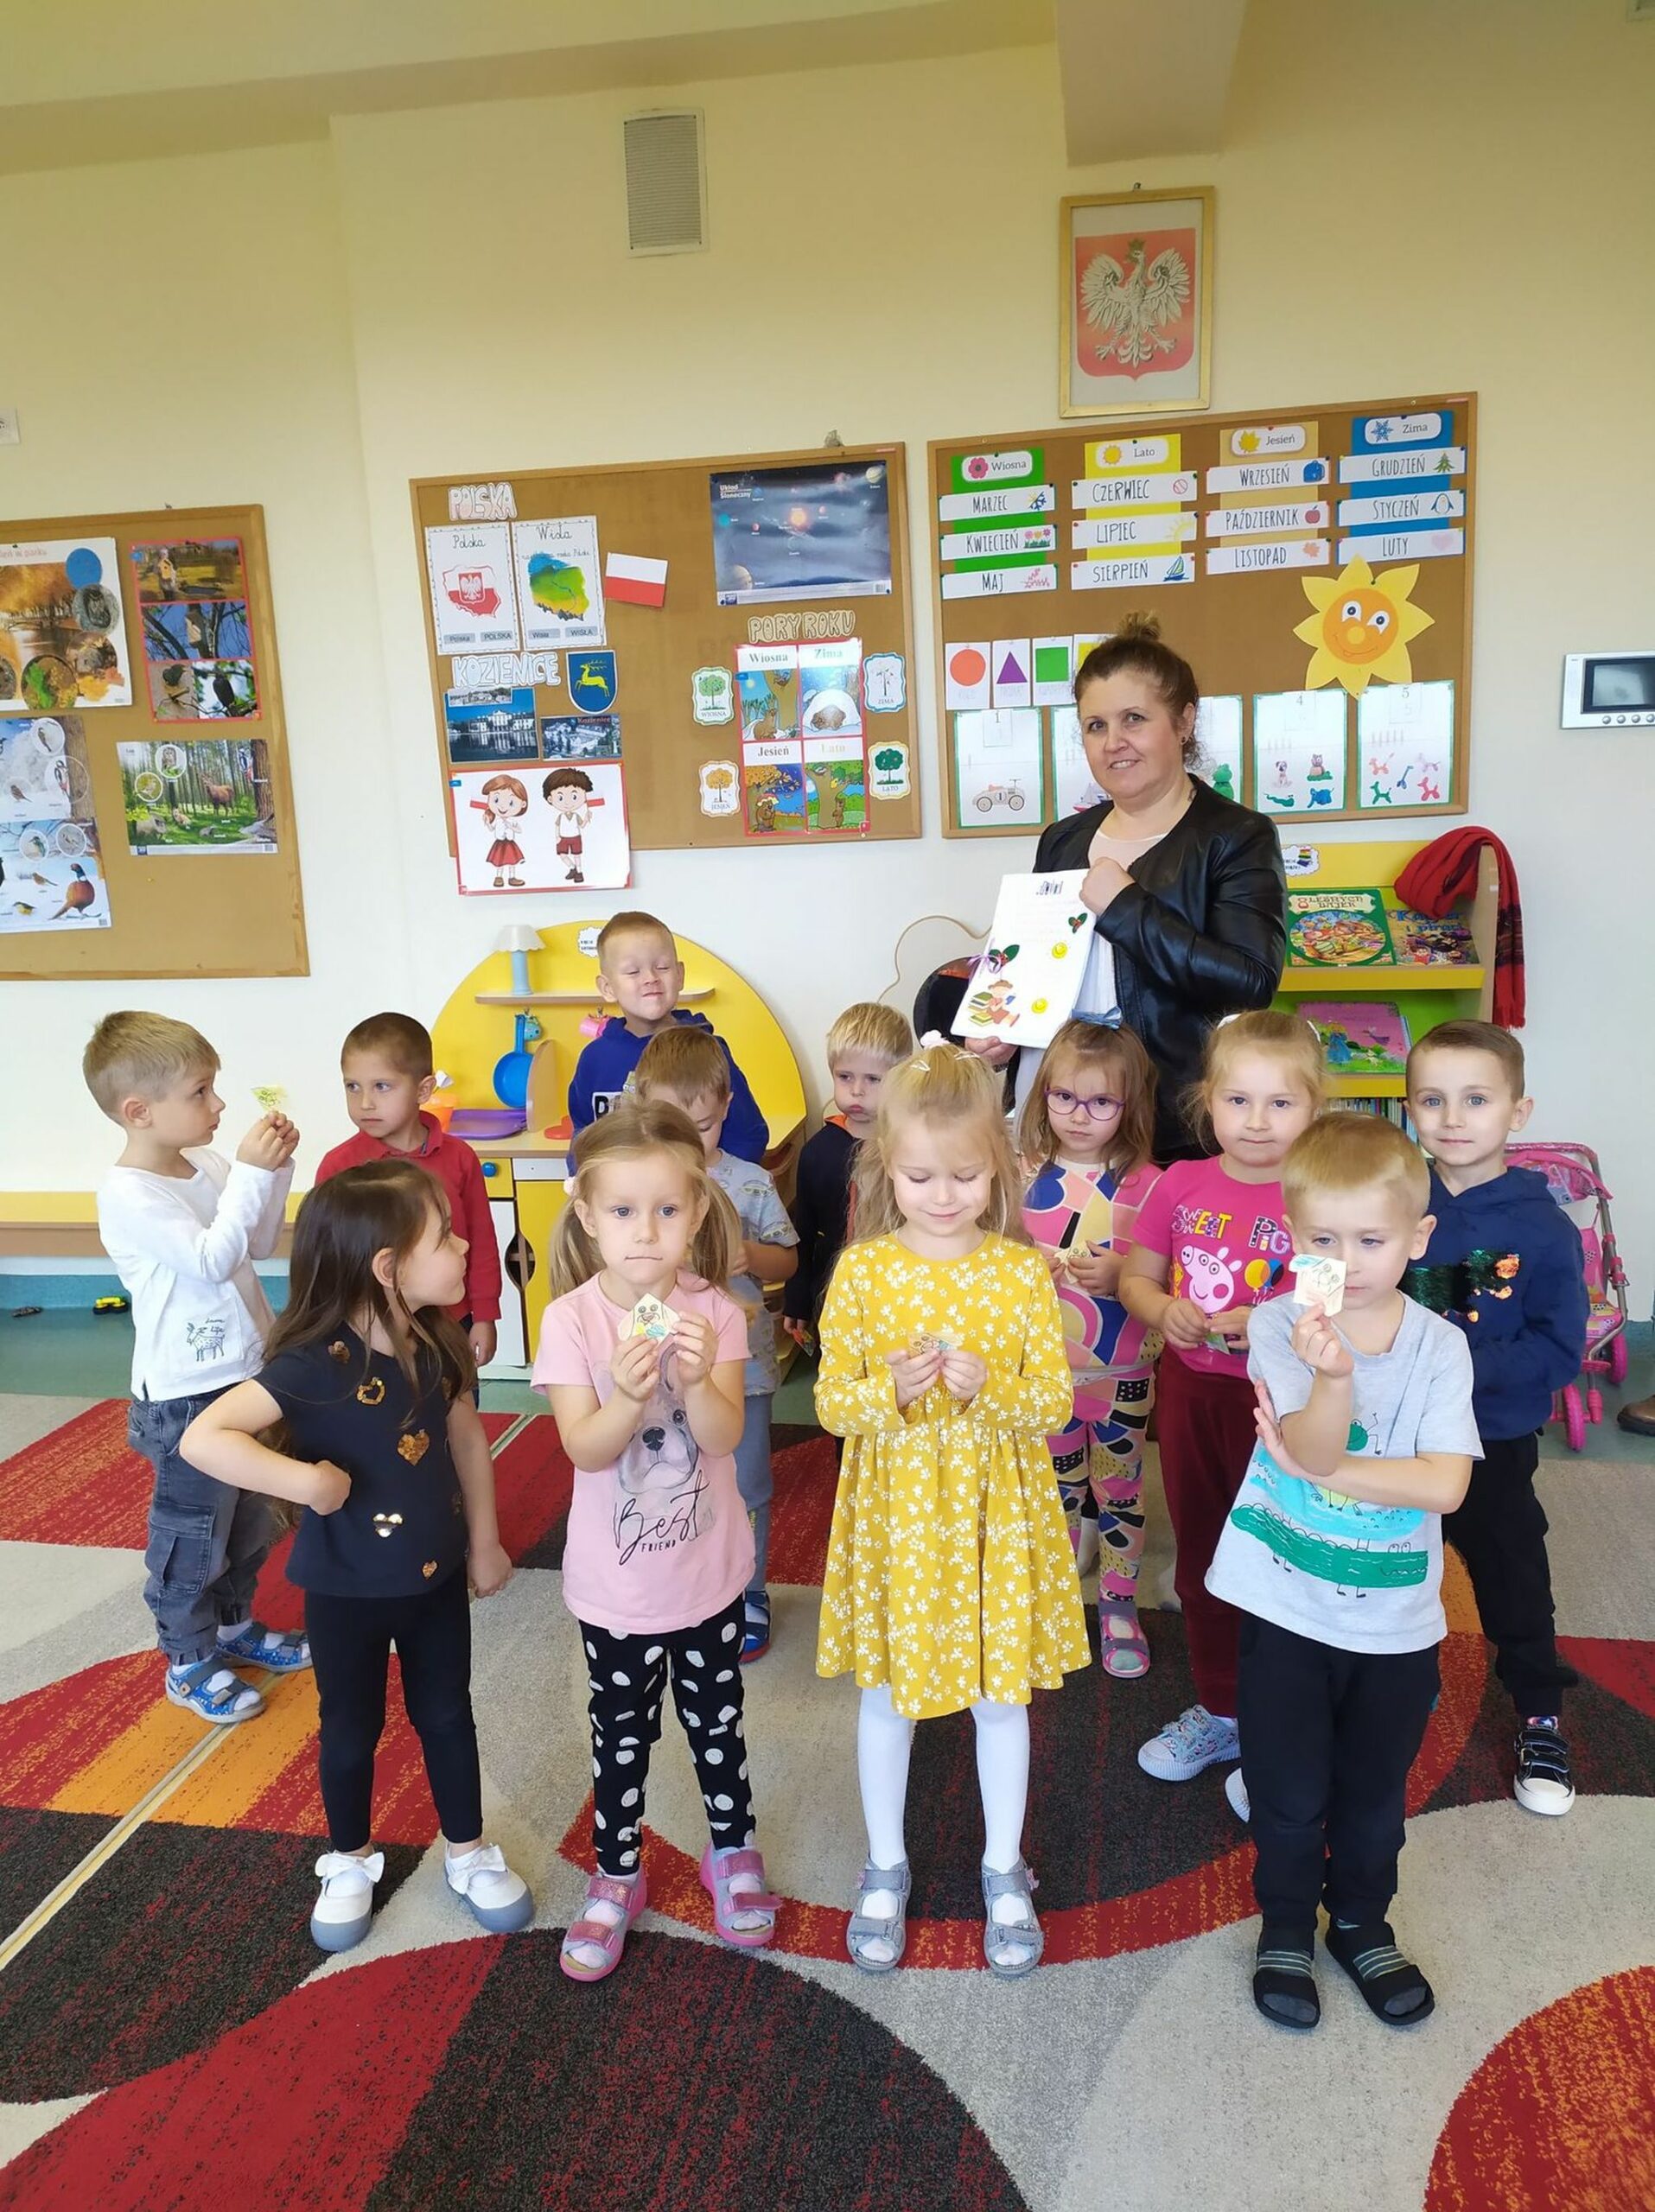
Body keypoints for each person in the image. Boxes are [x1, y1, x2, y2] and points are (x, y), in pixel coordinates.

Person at [181, 1162, 532, 1951]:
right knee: (349, 1727)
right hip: (343, 1590)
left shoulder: (436, 1341)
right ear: (388, 1267)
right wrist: (304, 1482)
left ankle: (468, 1852)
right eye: (445, 1235)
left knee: (448, 1715)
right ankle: (348, 1859)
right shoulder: (314, 1363)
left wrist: (484, 1541)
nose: (464, 1245)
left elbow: (466, 1441)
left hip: (435, 1578)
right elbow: (204, 1438)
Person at [815, 1046, 1085, 1979]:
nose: (942, 1195)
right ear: (886, 1169)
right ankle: (884, 1863)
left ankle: (1003, 1866)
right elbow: (829, 1404)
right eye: (920, 1175)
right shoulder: (861, 1272)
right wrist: (888, 1391)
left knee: (998, 1696)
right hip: (895, 1514)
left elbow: (1052, 1403)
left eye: (965, 1176)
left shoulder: (1020, 1272)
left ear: (999, 1170)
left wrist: (990, 1390)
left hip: (993, 1516)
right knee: (887, 1694)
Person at [1212, 1115, 1476, 2030]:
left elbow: (1443, 1485)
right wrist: (1330, 1382)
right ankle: (1286, 1924)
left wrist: (1314, 1466)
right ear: (1293, 1237)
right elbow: (1318, 1444)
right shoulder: (1280, 1323)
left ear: (1417, 1237)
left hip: (1395, 1621)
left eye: (1371, 1239)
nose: (1348, 1261)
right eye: (1323, 1240)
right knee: (1287, 1794)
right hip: (1284, 1604)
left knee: (1373, 1800)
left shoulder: (1439, 1345)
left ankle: (1360, 1922)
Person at [533, 1100, 781, 1981]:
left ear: (697, 1210)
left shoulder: (717, 1311)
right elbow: (583, 1448)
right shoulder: (570, 1320)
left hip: (707, 1577)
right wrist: (631, 1396)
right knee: (620, 1736)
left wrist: (695, 1376)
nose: (645, 1231)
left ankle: (732, 1851)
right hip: (616, 1589)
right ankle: (617, 1871)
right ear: (586, 1215)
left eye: (667, 1209)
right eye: (623, 1210)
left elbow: (721, 1436)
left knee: (718, 1724)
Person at [964, 615, 1286, 1164]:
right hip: (1058, 1122)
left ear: (1184, 722)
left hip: (1167, 1130)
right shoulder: (1063, 840)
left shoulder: (1236, 836)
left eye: (1133, 719)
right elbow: (1033, 968)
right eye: (1095, 726)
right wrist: (1003, 1034)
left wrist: (1126, 906)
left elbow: (1250, 982)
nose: (1114, 743)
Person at [86, 1011, 309, 1725]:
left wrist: (274, 1173)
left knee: (251, 1522)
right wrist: (249, 1172)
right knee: (193, 1538)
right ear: (139, 1111)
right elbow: (211, 1260)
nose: (218, 1104)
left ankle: (235, 1628)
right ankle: (186, 1660)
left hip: (246, 1376)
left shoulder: (206, 1166)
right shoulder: (130, 1193)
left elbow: (256, 1242)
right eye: (201, 1092)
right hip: (185, 1396)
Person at [1120, 1010, 1324, 1786]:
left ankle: (1286, 1709)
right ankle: (1221, 1707)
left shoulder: (1320, 1193)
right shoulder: (1178, 1183)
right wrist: (1160, 1308)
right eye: (1238, 1100)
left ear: (1314, 1107)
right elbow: (1138, 1278)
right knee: (1204, 1547)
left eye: (1280, 1102)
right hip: (1190, 1396)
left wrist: (1271, 1320)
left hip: (1286, 1404)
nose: (1257, 1121)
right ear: (1206, 1100)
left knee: (1288, 1552)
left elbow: (1338, 1300)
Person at [1404, 1020, 1588, 1815]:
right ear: (1408, 1107)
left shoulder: (1542, 1227)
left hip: (1491, 1441)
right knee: (1392, 1573)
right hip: (1395, 1439)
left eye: (1475, 1100)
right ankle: (1387, 1694)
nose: (1451, 1118)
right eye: (1431, 1099)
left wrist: (1452, 1364)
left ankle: (1539, 1713)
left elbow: (1558, 1348)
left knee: (1511, 1575)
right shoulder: (1395, 1195)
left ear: (1517, 1111)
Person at [635, 1026, 799, 1661]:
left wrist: (750, 1255)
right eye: (671, 1126)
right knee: (671, 1477)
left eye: (701, 1127)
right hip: (662, 1368)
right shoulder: (639, 1186)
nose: (687, 1142)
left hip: (743, 1371)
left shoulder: (750, 1182)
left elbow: (787, 1261)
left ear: (726, 1105)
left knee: (747, 1483)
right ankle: (682, 1584)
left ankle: (749, 1591)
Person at [1018, 1018, 1162, 1677]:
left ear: (1129, 1104)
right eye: (1064, 1097)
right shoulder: (1018, 1173)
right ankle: (1052, 1602)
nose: (1079, 1115)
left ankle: (1118, 1604)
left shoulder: (1149, 1184)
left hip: (1122, 1370)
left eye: (1101, 1101)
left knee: (1120, 1490)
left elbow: (1175, 1271)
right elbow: (985, 1262)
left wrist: (1125, 1274)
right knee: (1053, 1492)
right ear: (1042, 1093)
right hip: (1041, 1374)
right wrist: (1023, 1270)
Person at [315, 1011, 501, 1372]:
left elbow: (480, 1240)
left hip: (452, 1319)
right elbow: (327, 1261)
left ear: (423, 1090)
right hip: (372, 1328)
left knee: (456, 1397)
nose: (365, 1102)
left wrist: (485, 1314)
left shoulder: (460, 1157)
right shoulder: (339, 1166)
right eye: (352, 1087)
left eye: (381, 1086)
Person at [566, 911, 769, 1164]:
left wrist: (708, 1180)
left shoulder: (707, 1049)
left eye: (662, 967)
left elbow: (749, 1136)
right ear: (607, 987)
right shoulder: (594, 1059)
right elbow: (583, 1136)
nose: (651, 978)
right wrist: (582, 1177)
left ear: (680, 975)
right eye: (633, 971)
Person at [783, 1000, 914, 1351]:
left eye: (873, 1079)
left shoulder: (915, 1149)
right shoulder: (818, 1152)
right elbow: (803, 1231)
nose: (857, 1090)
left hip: (902, 1294)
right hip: (833, 1292)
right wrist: (798, 1297)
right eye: (845, 1077)